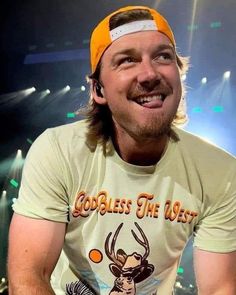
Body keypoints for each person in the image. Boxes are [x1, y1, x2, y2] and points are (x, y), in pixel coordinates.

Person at [8, 5, 236, 295]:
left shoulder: (222, 173)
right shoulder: (57, 150)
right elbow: (29, 278)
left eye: (163, 56)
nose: (149, 74)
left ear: (180, 75)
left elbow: (220, 289)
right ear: (98, 90)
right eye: (127, 61)